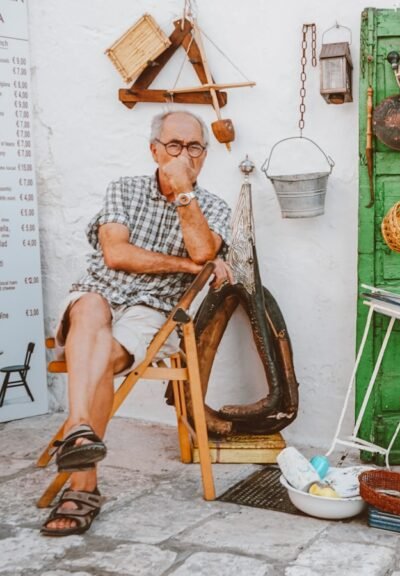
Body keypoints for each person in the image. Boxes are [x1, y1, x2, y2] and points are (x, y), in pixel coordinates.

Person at [41, 110, 234, 536]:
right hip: (100, 290)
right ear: (154, 150)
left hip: (154, 309)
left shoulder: (215, 207)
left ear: (205, 154)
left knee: (102, 356)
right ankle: (82, 454)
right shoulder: (123, 190)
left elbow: (204, 251)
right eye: (174, 145)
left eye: (194, 146)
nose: (185, 154)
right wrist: (186, 264)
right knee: (89, 309)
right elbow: (116, 254)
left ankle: (78, 454)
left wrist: (184, 192)